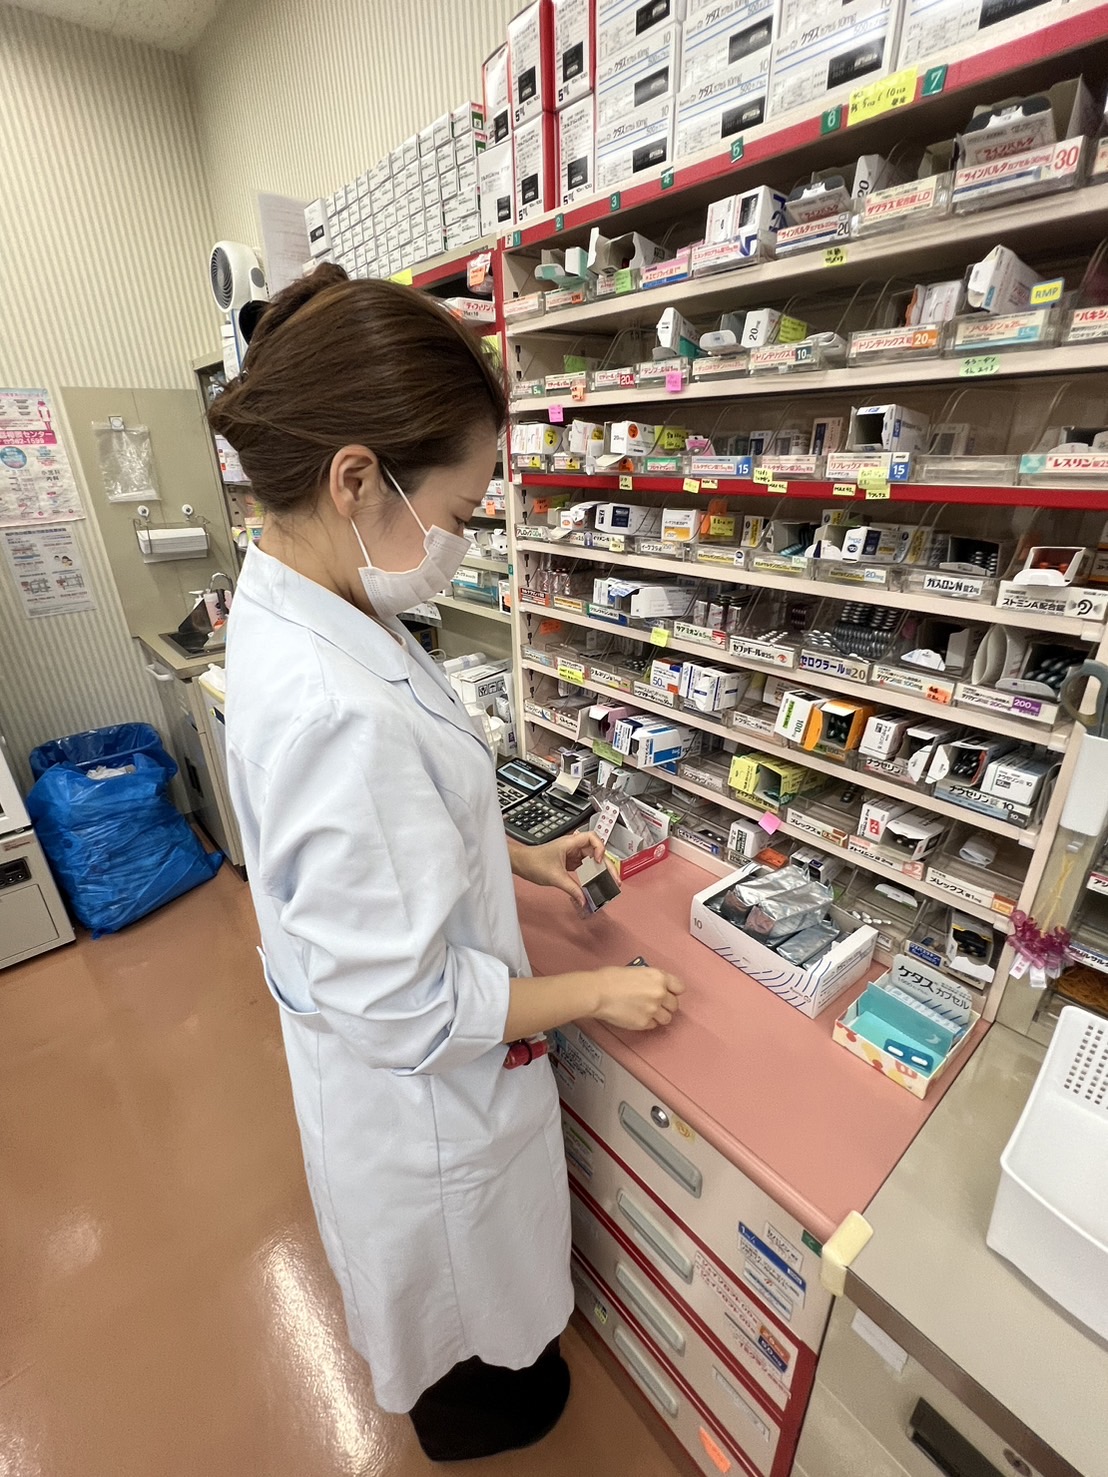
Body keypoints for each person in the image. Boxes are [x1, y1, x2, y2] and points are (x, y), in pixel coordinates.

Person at [211, 264, 686, 1462]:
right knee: (477, 1330)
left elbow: (394, 832)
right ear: (356, 478)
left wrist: (517, 855)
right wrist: (597, 989)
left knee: (490, 1291)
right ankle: (480, 1414)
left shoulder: (304, 599)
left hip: (387, 1068)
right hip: (422, 1103)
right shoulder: (333, 706)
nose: (463, 544)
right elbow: (409, 1005)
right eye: (463, 513)